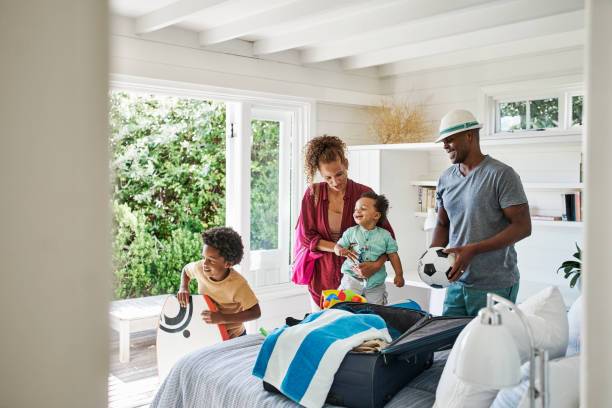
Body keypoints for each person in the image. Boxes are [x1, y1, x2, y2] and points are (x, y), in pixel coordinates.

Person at [430, 109, 532, 316]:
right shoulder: (445, 179)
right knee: (451, 346)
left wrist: (473, 250)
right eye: (443, 141)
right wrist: (432, 257)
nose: (444, 146)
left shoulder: (502, 175)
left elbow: (522, 227)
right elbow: (443, 224)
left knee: (491, 347)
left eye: (449, 139)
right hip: (457, 283)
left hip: (495, 284)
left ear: (469, 135)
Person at [298, 135, 395, 308]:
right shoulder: (313, 194)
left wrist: (376, 265)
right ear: (320, 174)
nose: (335, 182)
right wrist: (335, 248)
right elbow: (306, 237)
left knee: (361, 329)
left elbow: (388, 238)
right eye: (328, 177)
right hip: (323, 279)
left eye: (339, 174)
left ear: (346, 164)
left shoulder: (365, 193)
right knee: (324, 330)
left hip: (362, 281)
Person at [177, 226, 261, 338]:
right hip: (209, 334)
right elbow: (186, 271)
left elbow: (255, 312)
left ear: (228, 264)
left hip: (234, 336)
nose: (205, 264)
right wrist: (183, 287)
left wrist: (222, 318)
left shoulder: (238, 285)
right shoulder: (199, 268)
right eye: (204, 258)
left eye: (211, 260)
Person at [334, 192, 405, 305]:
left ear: (376, 216)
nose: (357, 211)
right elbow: (337, 246)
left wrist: (399, 274)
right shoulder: (350, 232)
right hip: (351, 279)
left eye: (363, 208)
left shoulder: (385, 236)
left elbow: (393, 255)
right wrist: (340, 250)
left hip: (375, 283)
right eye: (356, 209)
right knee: (344, 306)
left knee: (376, 309)